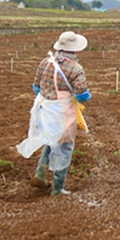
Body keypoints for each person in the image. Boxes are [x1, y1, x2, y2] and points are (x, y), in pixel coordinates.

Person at [16, 31, 91, 196]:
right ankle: (57, 188)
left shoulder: (46, 62)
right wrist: (86, 96)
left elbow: (36, 87)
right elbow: (81, 95)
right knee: (64, 146)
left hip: (44, 107)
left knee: (50, 139)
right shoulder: (75, 68)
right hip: (62, 110)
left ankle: (40, 174)